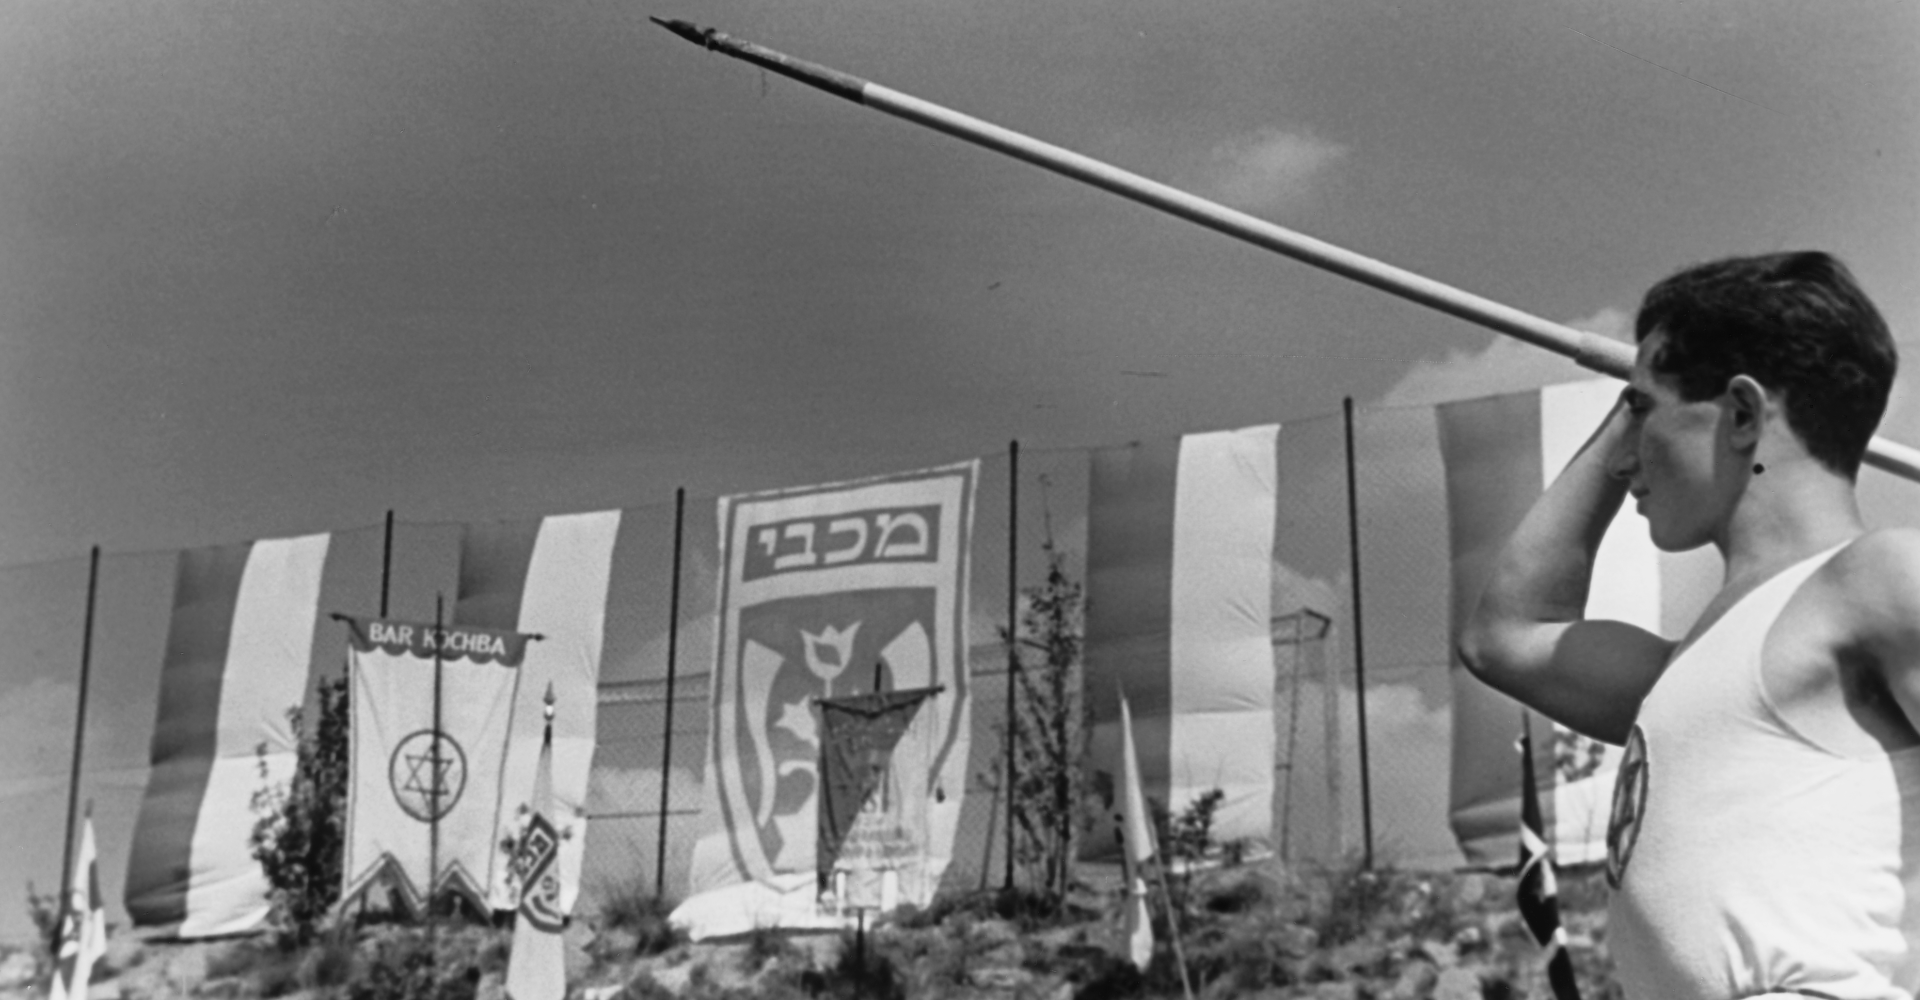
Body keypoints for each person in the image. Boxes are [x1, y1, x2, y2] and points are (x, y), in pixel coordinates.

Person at [1459, 251, 1920, 999]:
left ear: (1740, 414)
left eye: (1642, 412)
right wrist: (1637, 399)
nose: (1624, 458)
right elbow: (1505, 636)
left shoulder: (1880, 578)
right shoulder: (1685, 670)